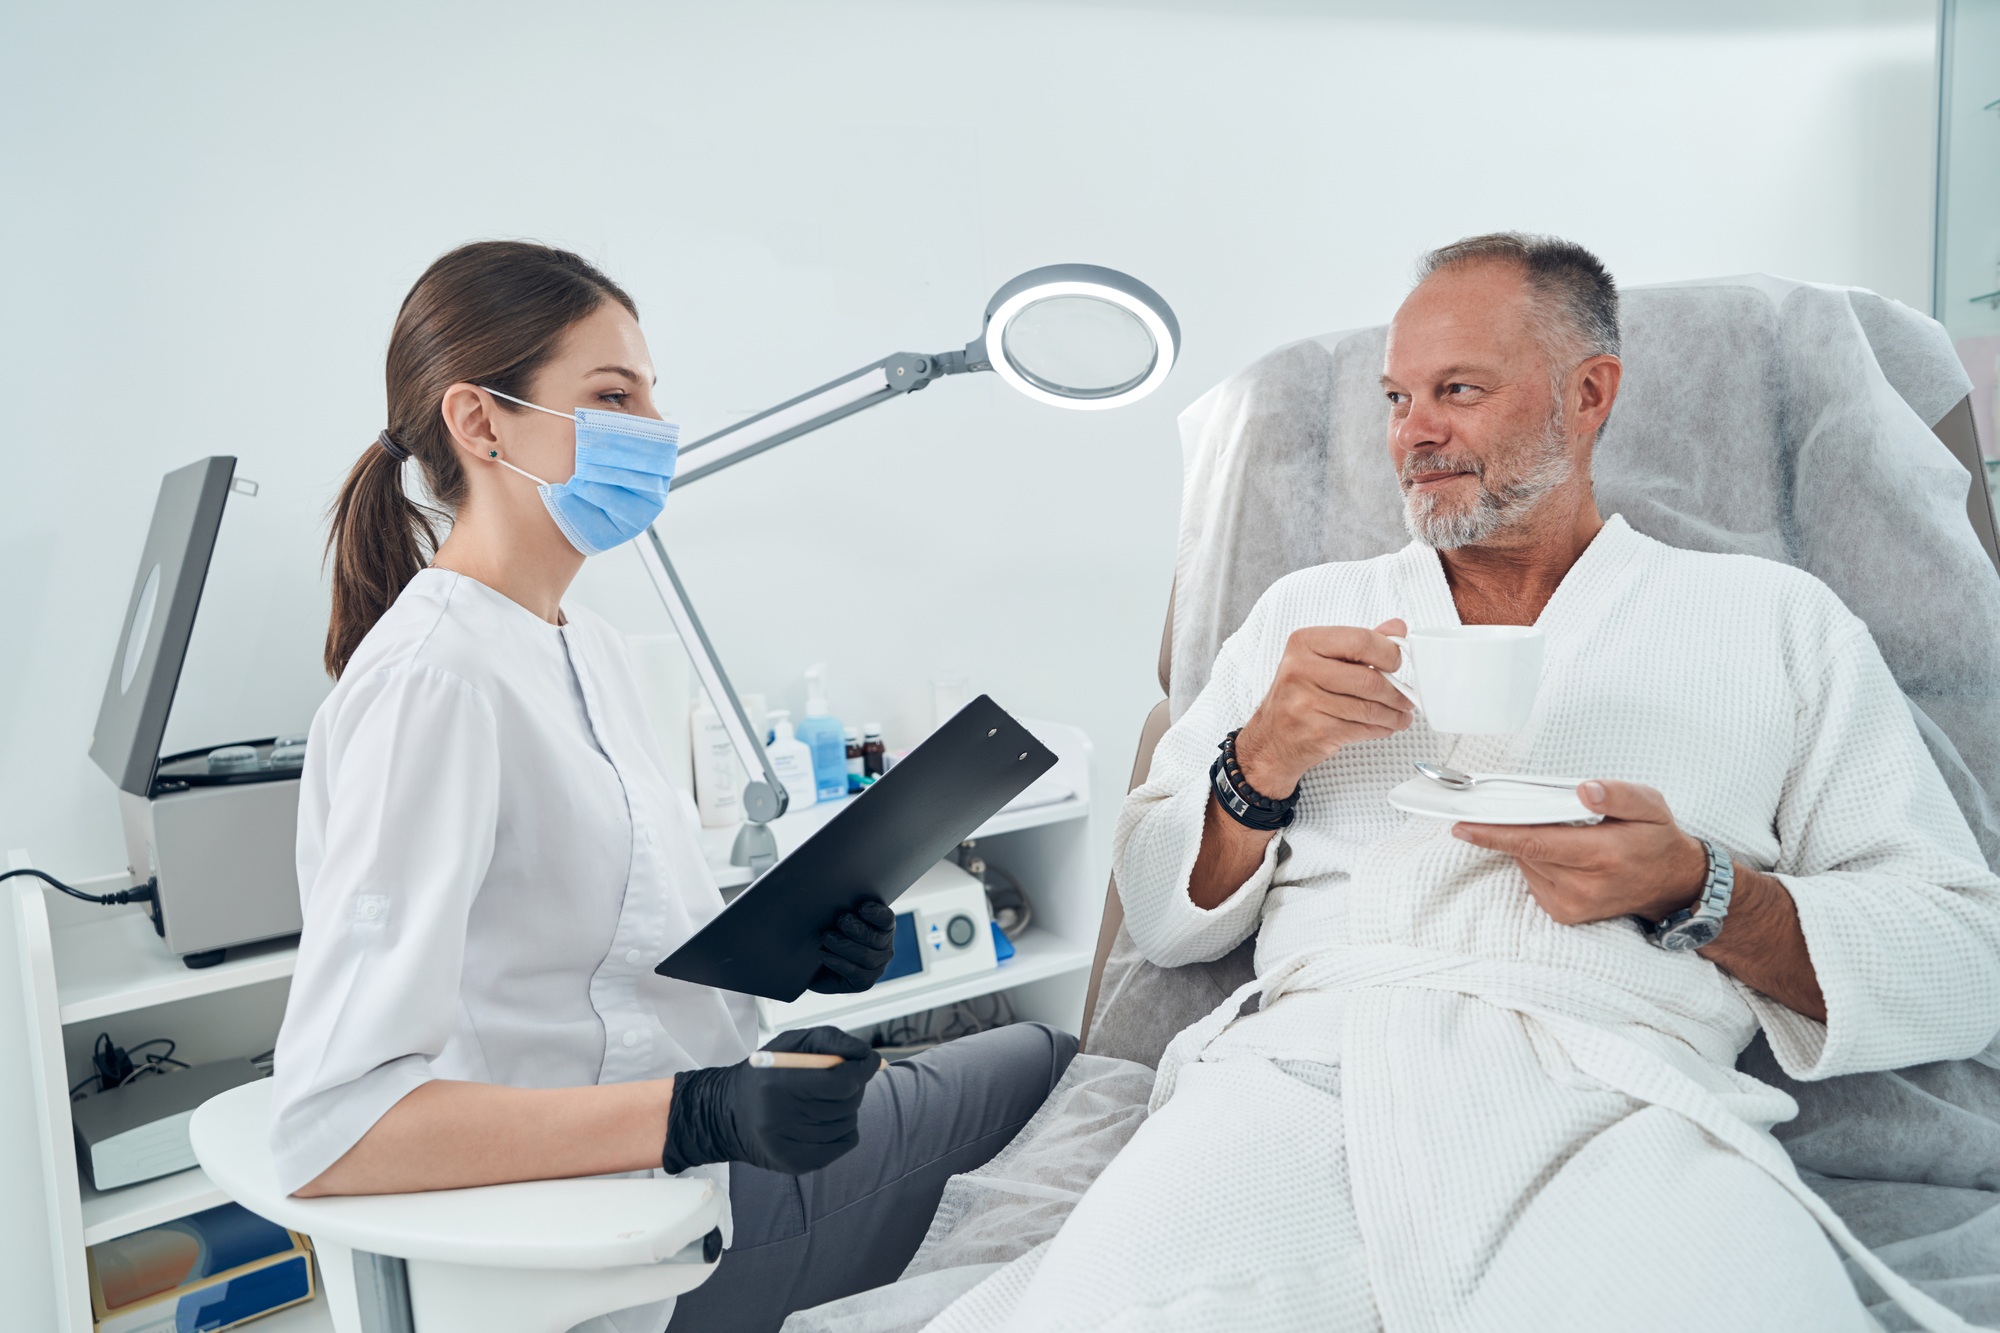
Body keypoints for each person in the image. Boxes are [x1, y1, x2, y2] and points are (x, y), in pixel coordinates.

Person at [916, 235, 2000, 1332]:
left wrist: (1698, 888)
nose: (1410, 433)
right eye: (1394, 398)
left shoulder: (1772, 622)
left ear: (1587, 394)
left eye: (1456, 391)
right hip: (1298, 1081)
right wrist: (1256, 765)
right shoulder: (1305, 612)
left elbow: (1958, 956)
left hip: (1620, 1100)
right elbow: (1159, 917)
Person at [267, 241, 1075, 1333]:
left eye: (651, 393)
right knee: (1055, 1071)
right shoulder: (435, 685)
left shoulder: (587, 644)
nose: (655, 427)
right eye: (612, 394)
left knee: (1030, 1072)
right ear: (481, 421)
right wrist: (699, 1113)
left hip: (676, 1186)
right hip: (593, 1256)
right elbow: (335, 1131)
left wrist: (801, 958)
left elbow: (612, 966)